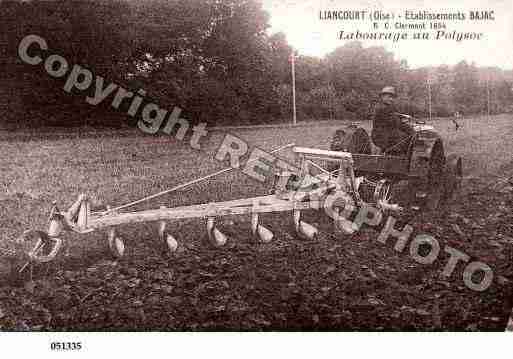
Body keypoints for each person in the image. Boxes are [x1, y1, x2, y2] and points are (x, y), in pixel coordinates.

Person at [371, 86, 414, 155]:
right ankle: (399, 157)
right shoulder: (382, 108)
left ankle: (398, 154)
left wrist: (402, 116)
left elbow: (394, 115)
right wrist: (410, 129)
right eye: (389, 97)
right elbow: (395, 122)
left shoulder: (387, 106)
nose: (391, 99)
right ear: (382, 97)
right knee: (406, 137)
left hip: (387, 133)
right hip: (381, 135)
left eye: (392, 97)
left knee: (408, 133)